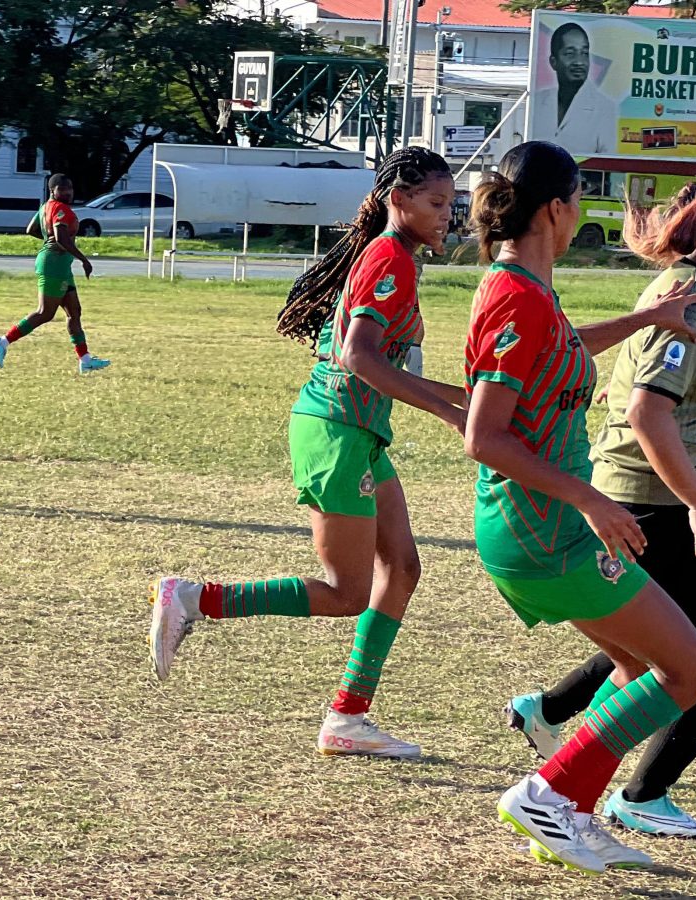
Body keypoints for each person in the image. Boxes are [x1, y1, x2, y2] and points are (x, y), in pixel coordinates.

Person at [147, 148, 466, 759]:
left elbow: (382, 364)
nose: (446, 215)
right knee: (348, 593)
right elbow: (359, 357)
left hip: (359, 431)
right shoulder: (391, 260)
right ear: (398, 200)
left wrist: (473, 400)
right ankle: (193, 598)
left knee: (401, 569)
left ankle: (347, 719)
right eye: (435, 203)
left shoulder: (394, 258)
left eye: (451, 204)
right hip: (337, 430)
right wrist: (450, 411)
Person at [505, 159, 696, 841]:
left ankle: (557, 738)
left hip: (632, 494)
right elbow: (651, 410)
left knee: (660, 646)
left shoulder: (676, 286)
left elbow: (638, 380)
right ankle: (639, 794)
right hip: (652, 505)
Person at [464, 140, 696, 874]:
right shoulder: (515, 296)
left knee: (639, 664)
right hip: (541, 531)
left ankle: (564, 807)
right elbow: (484, 435)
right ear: (555, 207)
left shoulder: (529, 291)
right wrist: (589, 498)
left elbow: (562, 346)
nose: (581, 213)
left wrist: (645, 320)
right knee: (689, 668)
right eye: (579, 198)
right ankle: (548, 794)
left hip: (545, 528)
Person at [0, 174, 110, 373]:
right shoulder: (60, 209)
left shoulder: (46, 206)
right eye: (62, 189)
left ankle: (85, 359)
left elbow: (31, 229)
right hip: (53, 265)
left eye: (70, 188)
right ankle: (2, 342)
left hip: (60, 265)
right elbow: (61, 236)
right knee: (45, 313)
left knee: (75, 312)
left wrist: (49, 239)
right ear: (52, 191)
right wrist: (84, 259)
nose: (68, 192)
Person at [536, 23, 618, 156]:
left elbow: (608, 163)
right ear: (553, 61)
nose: (579, 62)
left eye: (584, 53)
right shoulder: (537, 101)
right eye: (570, 53)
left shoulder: (605, 107)